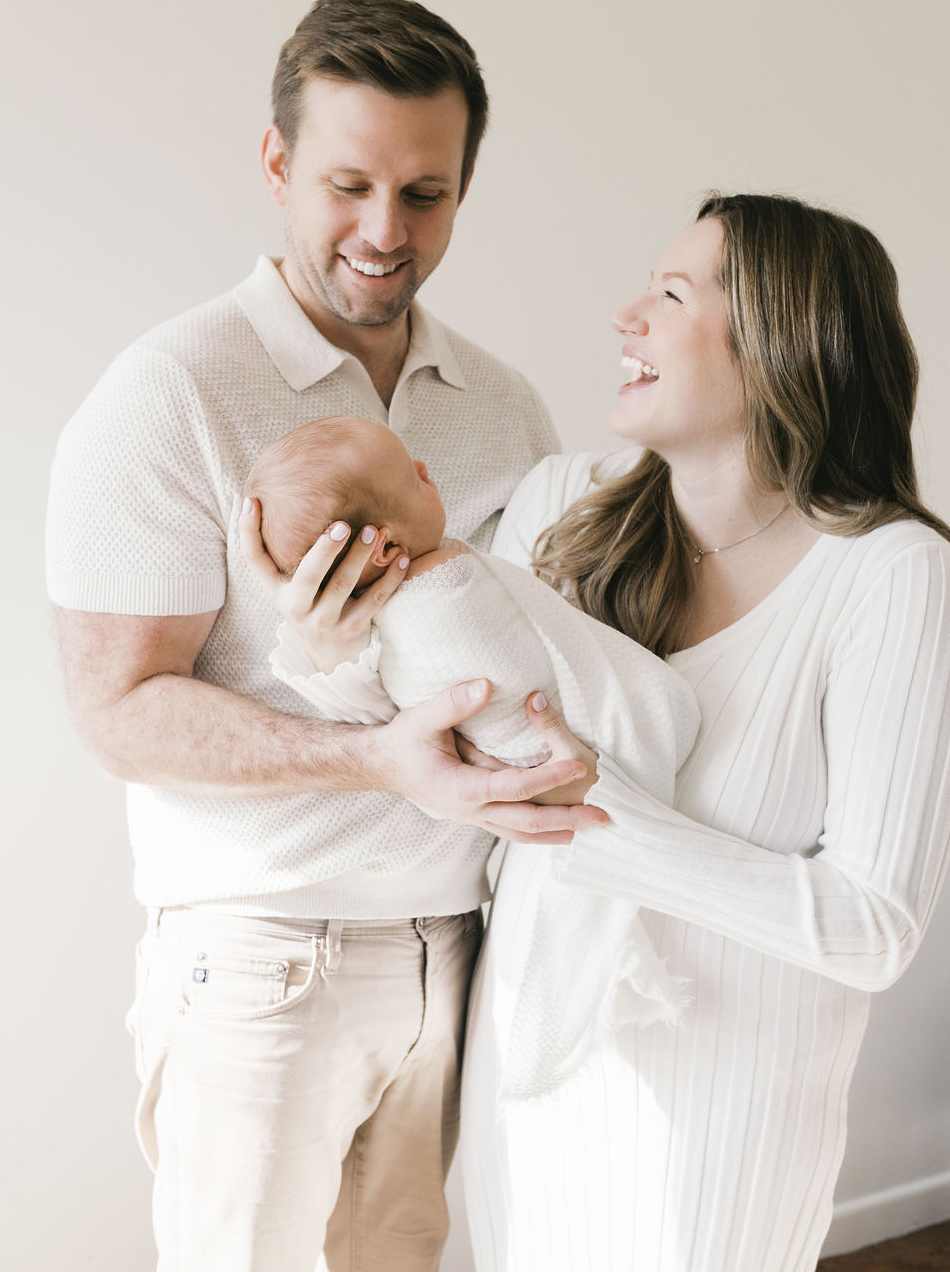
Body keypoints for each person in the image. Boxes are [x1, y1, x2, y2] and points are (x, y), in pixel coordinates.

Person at [259, 193, 950, 1272]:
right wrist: (323, 650)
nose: (624, 314)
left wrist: (598, 824)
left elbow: (871, 927)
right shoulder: (564, 503)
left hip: (726, 1118)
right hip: (538, 1071)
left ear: (779, 342)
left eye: (671, 294)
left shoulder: (888, 574)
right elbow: (455, 713)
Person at [44, 0, 602, 1272]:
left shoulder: (505, 407)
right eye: (348, 183)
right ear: (277, 163)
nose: (383, 233)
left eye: (426, 193)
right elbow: (115, 705)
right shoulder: (170, 390)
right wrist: (375, 760)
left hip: (453, 945)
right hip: (259, 952)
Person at [245, 412, 702, 1095]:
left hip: (461, 906)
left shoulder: (449, 563)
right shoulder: (436, 602)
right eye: (411, 475)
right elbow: (465, 700)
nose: (429, 472)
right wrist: (328, 652)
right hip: (298, 937)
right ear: (382, 548)